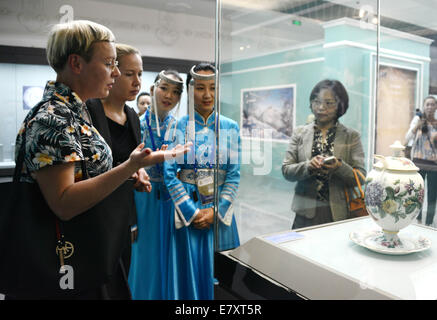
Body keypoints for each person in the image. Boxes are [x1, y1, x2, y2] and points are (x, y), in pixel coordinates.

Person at [13, 20, 190, 299]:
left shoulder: (75, 112)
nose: (116, 72)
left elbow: (89, 177)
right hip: (65, 261)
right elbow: (64, 203)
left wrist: (134, 170)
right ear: (77, 64)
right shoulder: (53, 118)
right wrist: (130, 166)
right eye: (109, 63)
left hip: (90, 251)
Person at [163, 62, 241, 300]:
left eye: (213, 88)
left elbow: (234, 174)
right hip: (188, 213)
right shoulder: (176, 126)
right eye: (200, 88)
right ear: (189, 90)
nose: (207, 95)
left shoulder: (230, 127)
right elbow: (169, 173)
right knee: (189, 283)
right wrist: (192, 212)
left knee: (224, 283)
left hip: (219, 213)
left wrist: (216, 211)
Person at [86, 43, 151, 282]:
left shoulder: (133, 116)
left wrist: (140, 174)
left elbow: (131, 163)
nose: (137, 82)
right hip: (93, 219)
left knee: (120, 283)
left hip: (122, 218)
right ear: (113, 72)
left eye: (140, 74)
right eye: (129, 74)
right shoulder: (89, 110)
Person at [128, 69, 184, 300]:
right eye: (164, 88)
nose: (168, 95)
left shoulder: (181, 127)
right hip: (142, 198)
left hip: (173, 199)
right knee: (143, 255)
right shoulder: (135, 125)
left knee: (171, 256)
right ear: (152, 90)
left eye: (175, 92)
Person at [282, 79, 366, 229]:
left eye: (329, 103)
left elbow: (361, 177)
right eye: (316, 101)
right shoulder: (300, 133)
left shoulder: (351, 136)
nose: (321, 108)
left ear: (340, 105)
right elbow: (287, 170)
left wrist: (339, 167)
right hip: (305, 212)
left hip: (338, 212)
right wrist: (308, 166)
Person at [405, 95, 437, 226]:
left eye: (432, 104)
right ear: (424, 106)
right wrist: (417, 124)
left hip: (434, 166)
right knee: (417, 194)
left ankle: (428, 223)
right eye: (427, 104)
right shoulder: (417, 121)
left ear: (436, 107)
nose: (429, 107)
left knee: (432, 196)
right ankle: (416, 221)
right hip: (418, 164)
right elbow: (407, 138)